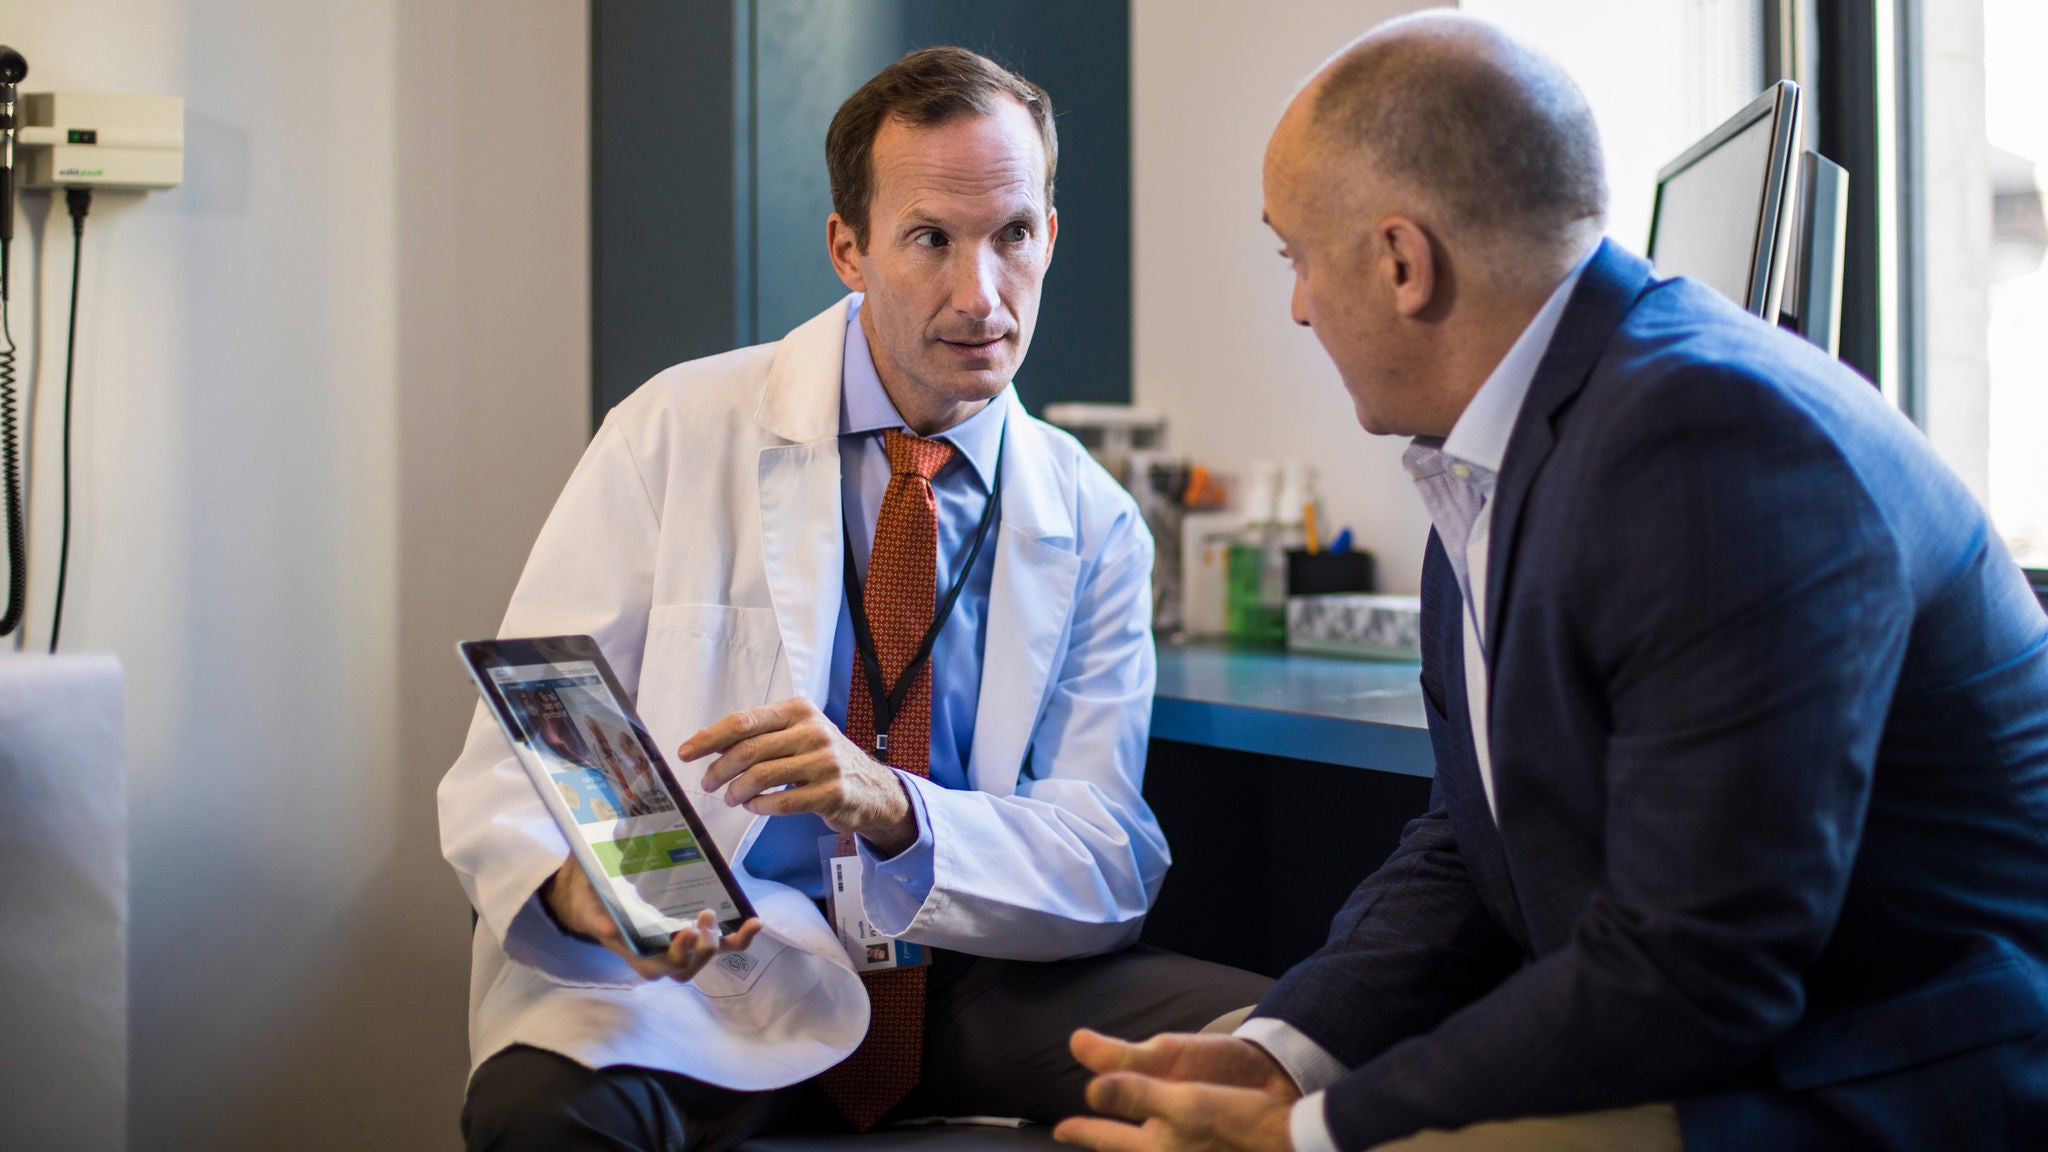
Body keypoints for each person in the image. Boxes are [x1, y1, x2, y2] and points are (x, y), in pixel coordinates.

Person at [1054, 13, 2048, 1152]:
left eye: (1297, 257)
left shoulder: (1713, 439)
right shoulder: (1500, 450)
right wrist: (1283, 1054)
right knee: (1219, 1084)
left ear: (1400, 262)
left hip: (1893, 1067)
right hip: (1742, 1028)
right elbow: (1469, 848)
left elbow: (1695, 969)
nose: (1298, 305)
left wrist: (1313, 1132)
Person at [440, 46, 1270, 1150]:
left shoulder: (1095, 518)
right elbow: (529, 747)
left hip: (971, 968)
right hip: (723, 965)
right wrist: (575, 887)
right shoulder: (673, 432)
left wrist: (897, 809)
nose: (981, 296)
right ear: (849, 248)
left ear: (1049, 235)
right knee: (541, 1116)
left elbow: (1106, 856)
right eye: (930, 239)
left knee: (1277, 1051)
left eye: (1012, 235)